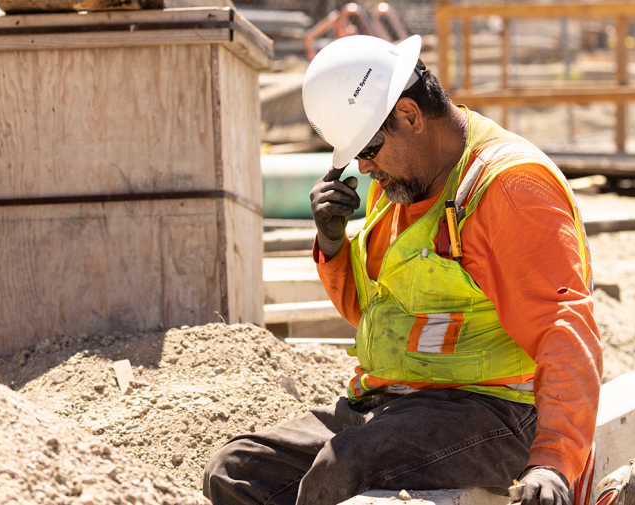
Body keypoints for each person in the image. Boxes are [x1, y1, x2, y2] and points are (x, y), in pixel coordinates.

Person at [203, 34, 602, 505]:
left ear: (409, 116)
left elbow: (565, 327)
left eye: (369, 149)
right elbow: (376, 314)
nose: (365, 168)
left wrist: (554, 462)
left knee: (342, 467)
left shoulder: (509, 187)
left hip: (497, 413)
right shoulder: (403, 185)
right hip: (394, 404)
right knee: (235, 471)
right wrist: (333, 243)